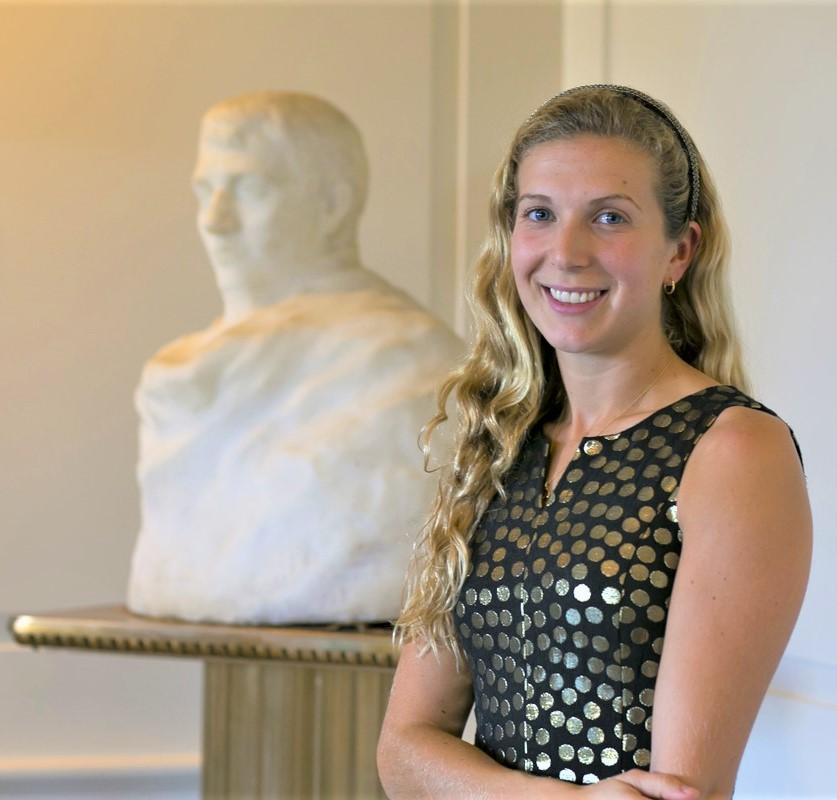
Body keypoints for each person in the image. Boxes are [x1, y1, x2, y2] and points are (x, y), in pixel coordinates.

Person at [377, 84, 811, 798]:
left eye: (608, 218)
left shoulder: (732, 452)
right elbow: (402, 753)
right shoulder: (499, 445)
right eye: (538, 215)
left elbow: (680, 791)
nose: (566, 252)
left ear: (680, 250)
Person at [127, 91, 462, 625]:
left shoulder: (411, 367)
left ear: (332, 205)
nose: (216, 221)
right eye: (205, 190)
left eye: (250, 188)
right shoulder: (186, 369)